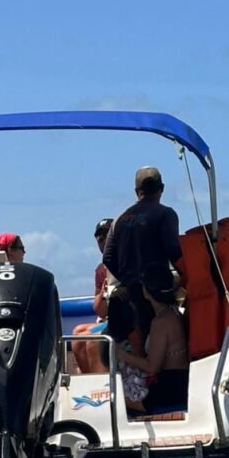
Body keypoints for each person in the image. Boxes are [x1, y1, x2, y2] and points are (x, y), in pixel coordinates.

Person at [102, 166, 184, 336]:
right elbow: (174, 251)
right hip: (158, 295)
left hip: (130, 296)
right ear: (161, 189)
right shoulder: (166, 214)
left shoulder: (119, 219)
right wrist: (185, 278)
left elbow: (108, 257)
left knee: (139, 346)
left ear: (136, 191)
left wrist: (127, 279)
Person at [114, 264, 189, 413]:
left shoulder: (161, 322)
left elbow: (152, 366)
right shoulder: (174, 313)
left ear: (147, 291)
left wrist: (122, 355)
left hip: (169, 389)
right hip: (180, 381)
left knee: (114, 397)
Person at [71, 217, 113, 373]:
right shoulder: (101, 270)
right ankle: (89, 383)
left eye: (107, 235)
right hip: (109, 319)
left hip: (128, 321)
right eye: (99, 238)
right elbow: (100, 310)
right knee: (77, 334)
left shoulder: (128, 262)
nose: (103, 241)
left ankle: (102, 389)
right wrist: (103, 292)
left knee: (93, 340)